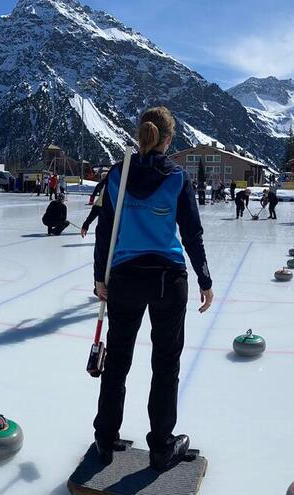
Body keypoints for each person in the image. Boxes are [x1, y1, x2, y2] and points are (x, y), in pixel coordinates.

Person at [91, 106, 213, 472]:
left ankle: (105, 437)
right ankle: (161, 445)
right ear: (168, 140)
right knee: (165, 365)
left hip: (125, 278)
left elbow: (104, 233)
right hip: (167, 281)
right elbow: (191, 233)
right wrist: (204, 279)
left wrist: (100, 277)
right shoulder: (177, 177)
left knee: (117, 364)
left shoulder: (117, 174)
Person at [81, 173, 108, 237]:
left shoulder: (100, 185)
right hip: (103, 207)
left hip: (99, 206)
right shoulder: (112, 186)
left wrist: (86, 224)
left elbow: (93, 194)